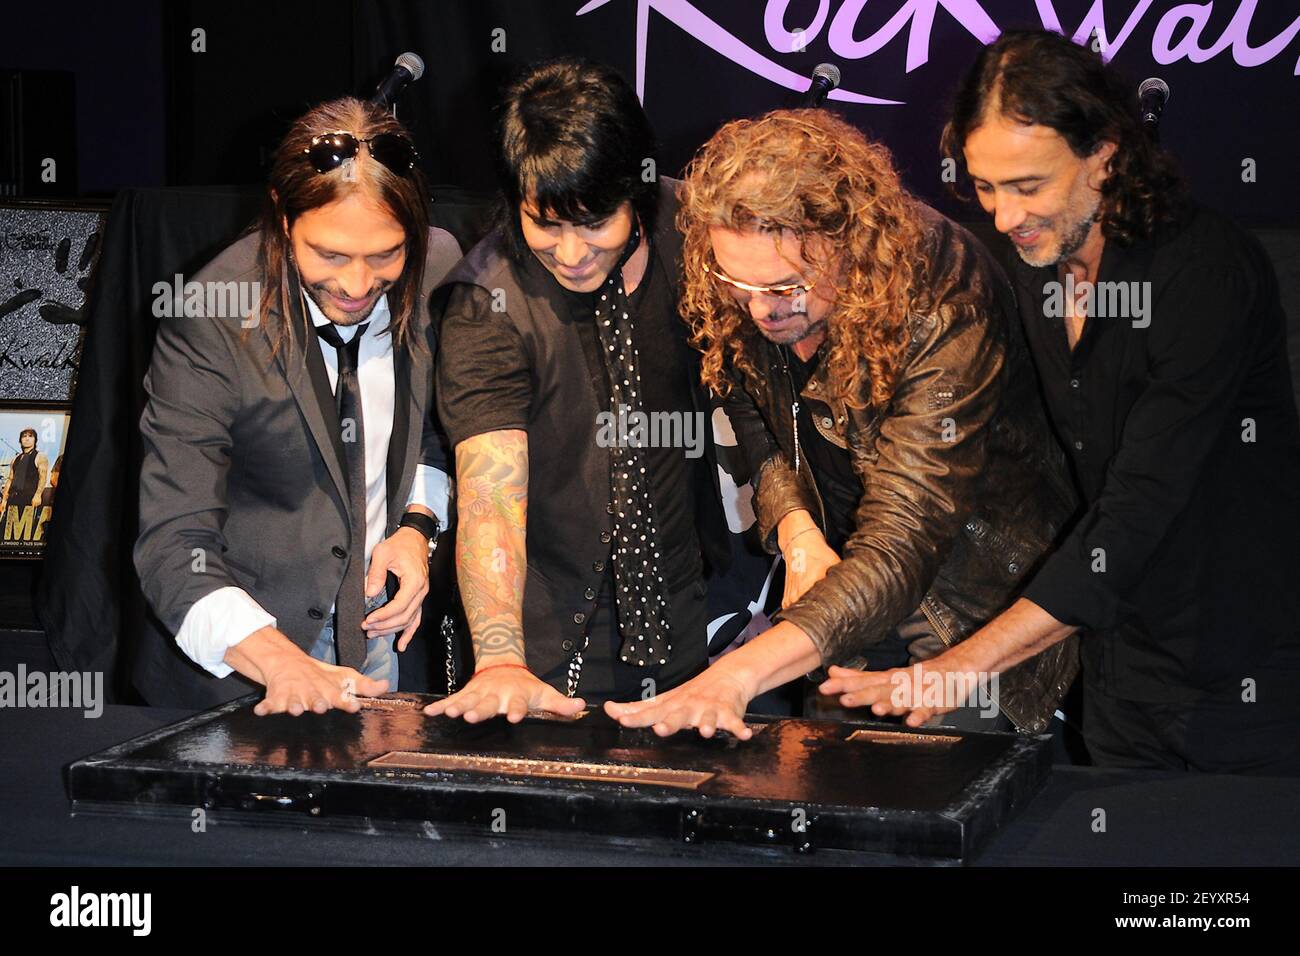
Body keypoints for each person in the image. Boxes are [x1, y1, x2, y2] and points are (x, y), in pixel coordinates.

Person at [834, 31, 1300, 774]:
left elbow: (1137, 510)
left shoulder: (1204, 274)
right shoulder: (1036, 269)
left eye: (1028, 186)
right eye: (986, 187)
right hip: (1114, 666)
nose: (1006, 217)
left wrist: (963, 664)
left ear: (1106, 155)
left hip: (1243, 670)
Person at [605, 108, 1078, 738]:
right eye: (737, 284)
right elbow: (748, 408)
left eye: (785, 288)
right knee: (834, 807)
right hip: (835, 594)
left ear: (847, 243)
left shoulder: (943, 300)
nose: (758, 308)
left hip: (961, 612)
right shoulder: (740, 271)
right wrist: (798, 535)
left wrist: (735, 676)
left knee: (936, 813)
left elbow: (901, 540)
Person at [426, 58, 735, 722]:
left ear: (638, 194)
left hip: (682, 618)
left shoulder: (699, 234)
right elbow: (489, 492)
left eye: (594, 222)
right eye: (546, 225)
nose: (570, 254)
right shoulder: (488, 303)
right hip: (541, 644)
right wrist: (502, 659)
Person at [134, 97, 461, 714]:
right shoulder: (212, 316)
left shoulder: (438, 266)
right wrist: (281, 662)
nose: (358, 285)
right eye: (330, 256)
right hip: (236, 673)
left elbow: (439, 426)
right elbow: (174, 541)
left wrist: (418, 525)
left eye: (385, 254)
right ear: (284, 219)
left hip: (378, 647)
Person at [1, 428, 48, 519]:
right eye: (24, 436)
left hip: (30, 498)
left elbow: (43, 478)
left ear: (35, 440)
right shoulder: (15, 459)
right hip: (13, 498)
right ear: (20, 440)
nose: (27, 439)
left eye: (30, 436)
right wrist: (4, 500)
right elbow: (10, 479)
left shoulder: (40, 456)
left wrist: (38, 495)